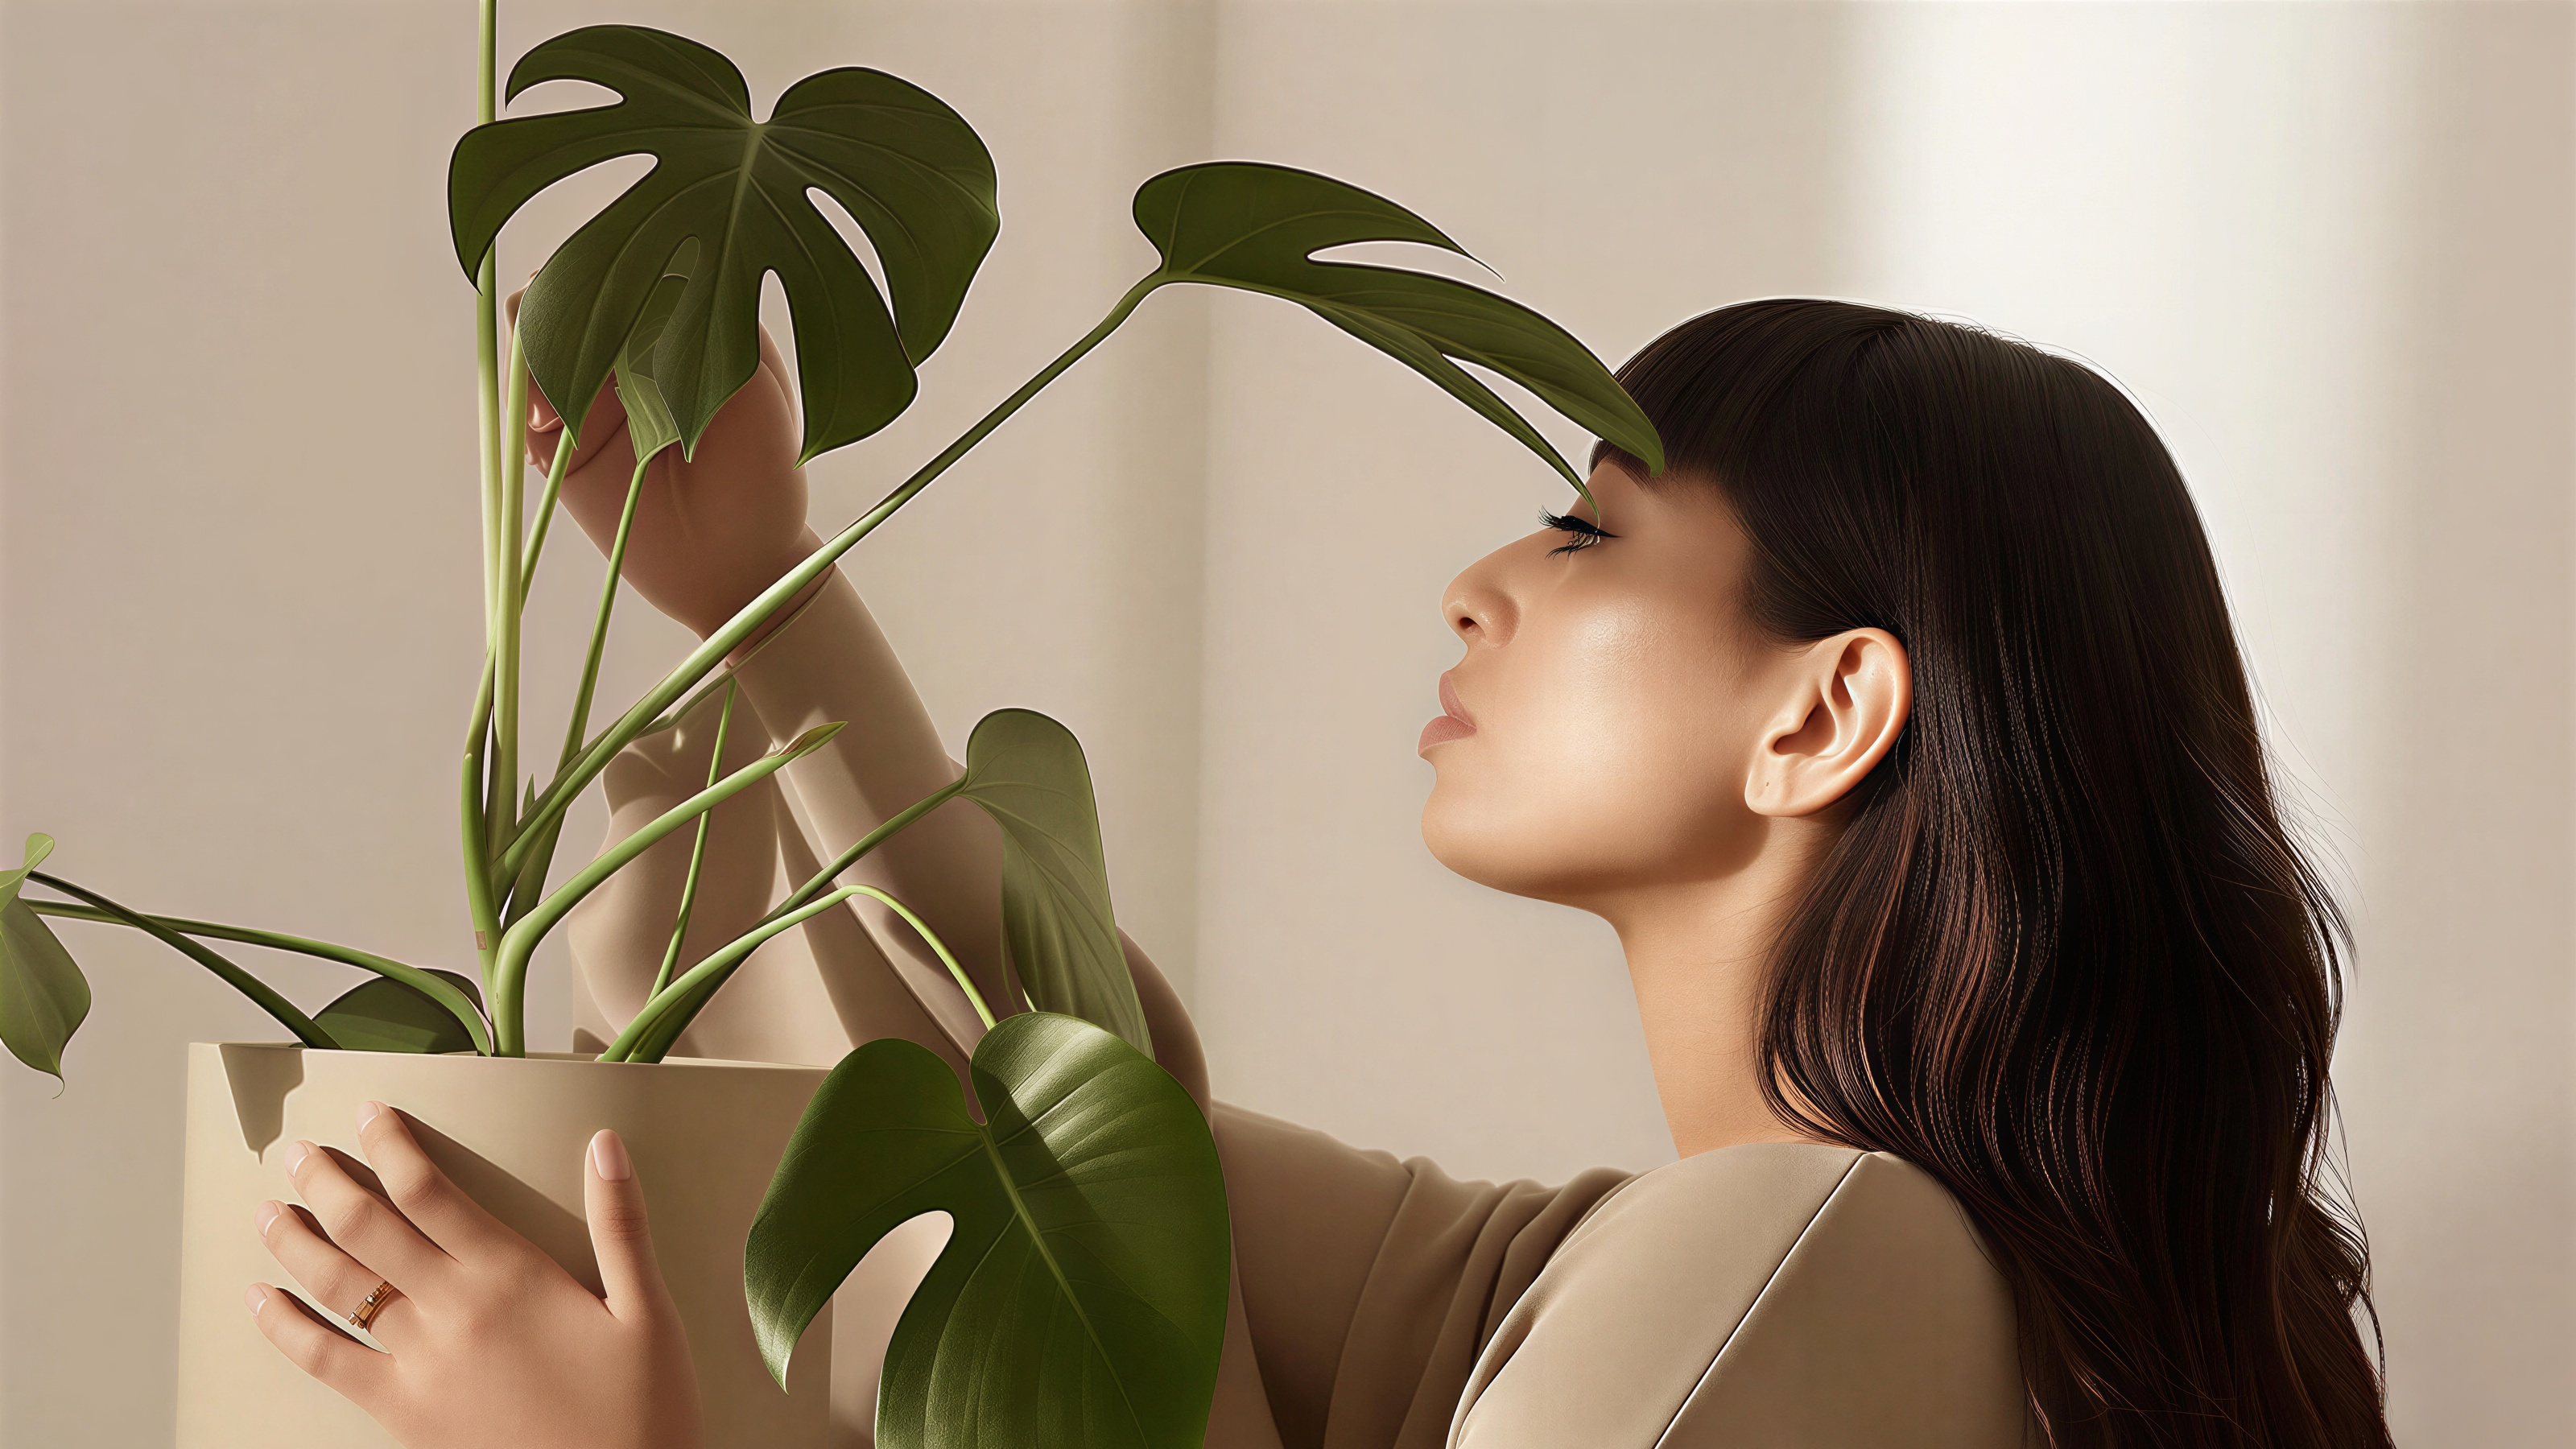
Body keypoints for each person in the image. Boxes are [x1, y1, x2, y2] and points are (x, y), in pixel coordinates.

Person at [246, 299, 2398, 1448]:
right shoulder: (1723, 1279)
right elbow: (1063, 1137)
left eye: (1588, 531)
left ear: (1823, 712)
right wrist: (757, 584)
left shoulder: (1816, 1249)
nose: (1477, 582)